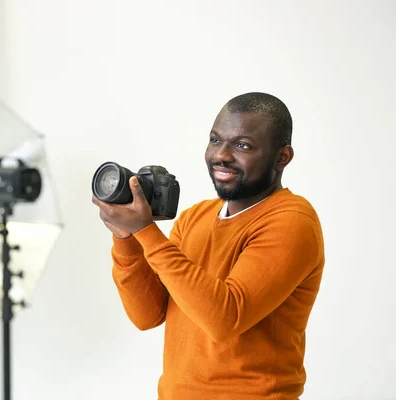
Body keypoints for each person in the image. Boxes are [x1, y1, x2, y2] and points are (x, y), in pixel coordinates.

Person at [92, 92, 325, 400]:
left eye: (242, 145)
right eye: (216, 141)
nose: (222, 155)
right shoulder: (195, 217)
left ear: (282, 157)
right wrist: (125, 238)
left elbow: (225, 318)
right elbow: (147, 314)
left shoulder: (292, 220)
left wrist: (147, 232)